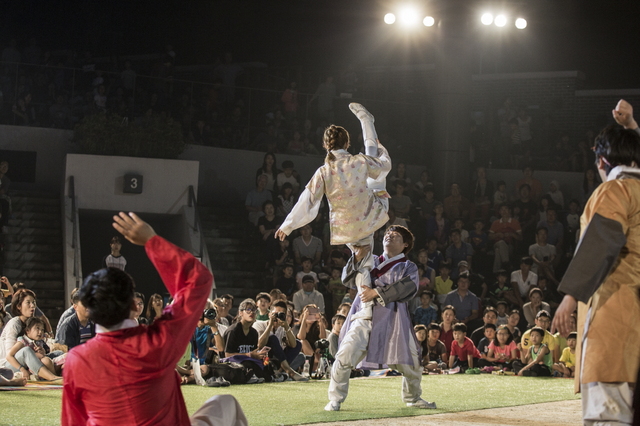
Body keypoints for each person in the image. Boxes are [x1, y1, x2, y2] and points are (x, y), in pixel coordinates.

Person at [61, 212, 248, 426]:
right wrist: (151, 241)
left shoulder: (76, 360)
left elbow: (73, 421)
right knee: (225, 404)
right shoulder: (156, 341)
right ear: (134, 305)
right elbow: (198, 280)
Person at [551, 120, 640, 425]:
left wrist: (570, 296)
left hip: (615, 318)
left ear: (602, 161)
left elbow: (603, 237)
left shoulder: (616, 189)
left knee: (608, 416)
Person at [277, 103, 391, 323]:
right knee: (373, 160)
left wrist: (287, 225)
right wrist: (383, 152)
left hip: (348, 228)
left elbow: (306, 201)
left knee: (364, 262)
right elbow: (383, 166)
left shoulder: (324, 171)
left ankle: (366, 305)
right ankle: (367, 121)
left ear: (326, 146)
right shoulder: (357, 160)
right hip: (370, 217)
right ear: (346, 143)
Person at [325, 225, 436, 411]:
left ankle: (413, 397)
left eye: (396, 235)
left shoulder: (408, 266)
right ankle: (335, 399)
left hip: (393, 320)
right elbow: (347, 279)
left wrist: (376, 292)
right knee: (344, 356)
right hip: (364, 317)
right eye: (387, 234)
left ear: (405, 245)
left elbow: (407, 288)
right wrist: (357, 257)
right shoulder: (370, 260)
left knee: (412, 363)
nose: (389, 236)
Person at [253, 300, 308, 381]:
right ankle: (289, 372)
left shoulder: (282, 328)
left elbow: (293, 345)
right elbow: (259, 345)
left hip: (277, 361)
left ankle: (279, 372)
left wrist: (286, 327)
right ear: (269, 314)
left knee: (298, 344)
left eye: (280, 314)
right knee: (272, 338)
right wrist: (270, 325)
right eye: (275, 314)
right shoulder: (258, 324)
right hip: (262, 358)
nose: (277, 317)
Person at [6, 317, 61, 381]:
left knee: (59, 353)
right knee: (26, 350)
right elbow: (9, 356)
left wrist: (43, 352)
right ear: (28, 331)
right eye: (37, 328)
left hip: (30, 366)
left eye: (42, 329)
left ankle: (60, 374)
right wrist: (22, 369)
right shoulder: (22, 341)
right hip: (14, 367)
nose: (40, 332)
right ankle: (52, 377)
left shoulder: (39, 342)